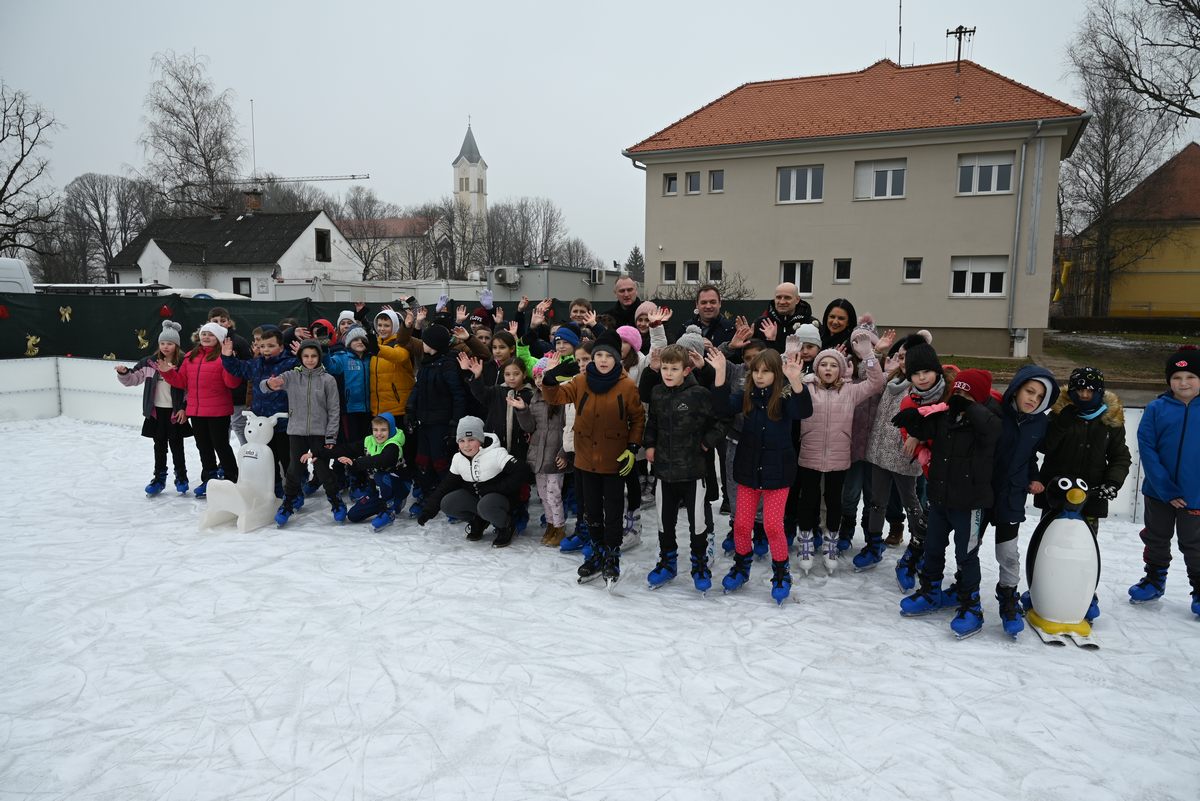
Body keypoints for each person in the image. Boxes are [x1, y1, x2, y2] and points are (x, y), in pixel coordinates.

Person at [893, 365, 1002, 638]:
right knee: (932, 548)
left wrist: (967, 404)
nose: (960, 399)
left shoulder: (990, 421)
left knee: (966, 556)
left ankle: (971, 605)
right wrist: (913, 419)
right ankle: (929, 591)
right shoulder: (946, 417)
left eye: (967, 394)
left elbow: (991, 428)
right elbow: (922, 422)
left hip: (970, 504)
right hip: (940, 499)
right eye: (958, 392)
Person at [540, 330, 645, 586]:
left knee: (612, 511)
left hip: (614, 460)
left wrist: (632, 448)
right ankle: (597, 552)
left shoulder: (627, 385)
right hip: (585, 459)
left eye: (607, 355)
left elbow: (638, 418)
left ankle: (612, 555)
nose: (602, 359)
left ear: (616, 358)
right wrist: (550, 379)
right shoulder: (580, 381)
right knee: (591, 511)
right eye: (597, 355)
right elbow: (554, 397)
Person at [708, 347, 813, 603]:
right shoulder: (747, 395)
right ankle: (741, 566)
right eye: (756, 370)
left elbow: (804, 411)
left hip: (778, 471)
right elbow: (720, 407)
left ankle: (781, 573)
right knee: (742, 525)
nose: (759, 376)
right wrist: (720, 372)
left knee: (772, 526)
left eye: (766, 371)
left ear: (776, 373)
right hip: (748, 468)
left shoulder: (786, 396)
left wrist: (796, 379)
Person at [1035, 366, 1131, 621]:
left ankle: (1085, 594)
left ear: (1099, 391)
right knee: (1048, 545)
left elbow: (1121, 456)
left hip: (1089, 499)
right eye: (1079, 390)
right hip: (1056, 495)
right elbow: (1043, 446)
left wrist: (1112, 482)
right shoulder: (1057, 414)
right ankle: (1040, 588)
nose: (1084, 395)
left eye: (1090, 390)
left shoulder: (1110, 421)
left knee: (1083, 549)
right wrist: (1061, 423)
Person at [794, 329, 885, 574]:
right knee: (808, 500)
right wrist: (789, 356)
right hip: (809, 454)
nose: (827, 368)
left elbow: (877, 382)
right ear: (816, 367)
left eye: (833, 365)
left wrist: (868, 355)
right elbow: (786, 384)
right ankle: (806, 542)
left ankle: (830, 543)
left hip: (838, 457)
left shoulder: (851, 391)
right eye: (822, 364)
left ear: (842, 369)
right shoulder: (806, 387)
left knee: (834, 501)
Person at [984, 365, 1059, 636]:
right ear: (1017, 388)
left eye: (1040, 397)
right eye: (1030, 392)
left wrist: (1034, 477)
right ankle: (965, 589)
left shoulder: (1039, 423)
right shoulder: (994, 411)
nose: (1033, 400)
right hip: (982, 492)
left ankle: (1008, 595)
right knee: (968, 545)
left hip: (1012, 496)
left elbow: (1027, 455)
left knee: (1008, 552)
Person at [643, 345, 725, 592]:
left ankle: (700, 564)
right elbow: (653, 422)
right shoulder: (657, 392)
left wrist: (706, 442)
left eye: (674, 369)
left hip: (693, 473)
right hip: (664, 473)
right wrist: (649, 444)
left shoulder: (698, 394)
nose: (668, 373)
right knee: (663, 521)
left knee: (697, 523)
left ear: (686, 370)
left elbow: (720, 422)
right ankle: (667, 562)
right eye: (665, 368)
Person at [1129, 346, 1199, 615]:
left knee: (1194, 544)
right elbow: (1147, 448)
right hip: (1159, 492)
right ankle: (1154, 579)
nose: (1183, 383)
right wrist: (1165, 488)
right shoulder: (1157, 408)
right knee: (1156, 538)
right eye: (1177, 377)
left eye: (1190, 376)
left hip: (1196, 494)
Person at [858, 332, 931, 578]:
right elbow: (863, 375)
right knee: (877, 501)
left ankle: (919, 547)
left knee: (911, 503)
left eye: (907, 357)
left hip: (903, 456)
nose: (902, 361)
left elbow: (932, 417)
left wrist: (917, 435)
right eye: (899, 357)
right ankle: (874, 543)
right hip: (879, 452)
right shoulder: (892, 379)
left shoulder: (924, 386)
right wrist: (876, 353)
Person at [261, 340, 346, 525]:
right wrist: (269, 383)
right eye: (306, 356)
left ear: (319, 357)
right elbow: (264, 387)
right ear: (300, 357)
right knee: (294, 470)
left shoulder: (328, 380)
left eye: (313, 356)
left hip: (319, 433)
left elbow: (334, 410)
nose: (309, 360)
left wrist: (331, 436)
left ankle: (336, 501)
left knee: (323, 469)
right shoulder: (291, 376)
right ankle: (288, 503)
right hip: (296, 432)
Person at [417, 416, 529, 548]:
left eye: (471, 440)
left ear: (480, 440)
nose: (466, 445)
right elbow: (445, 486)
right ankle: (478, 521)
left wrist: (495, 488)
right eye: (462, 441)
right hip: (479, 499)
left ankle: (506, 525)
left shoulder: (496, 454)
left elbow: (523, 471)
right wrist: (428, 510)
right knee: (448, 503)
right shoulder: (458, 459)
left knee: (485, 505)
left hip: (500, 500)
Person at [158, 321, 242, 496]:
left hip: (218, 411)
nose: (206, 337)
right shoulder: (190, 356)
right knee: (203, 447)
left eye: (210, 334)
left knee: (221, 445)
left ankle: (231, 478)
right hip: (196, 411)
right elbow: (181, 382)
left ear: (219, 338)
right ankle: (209, 479)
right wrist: (167, 372)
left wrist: (229, 360)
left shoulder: (224, 356)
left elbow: (232, 383)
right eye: (204, 333)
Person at [115, 320, 191, 495]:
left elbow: (189, 388)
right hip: (156, 412)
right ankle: (159, 478)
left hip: (175, 412)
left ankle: (181, 477)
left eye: (170, 344)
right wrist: (124, 373)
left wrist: (184, 408)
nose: (165, 347)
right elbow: (133, 379)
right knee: (159, 446)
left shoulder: (183, 363)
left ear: (177, 345)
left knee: (177, 446)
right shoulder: (149, 363)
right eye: (162, 343)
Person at [220, 325, 298, 497]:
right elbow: (237, 368)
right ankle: (275, 486)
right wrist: (227, 357)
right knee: (269, 459)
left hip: (283, 422)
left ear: (281, 346)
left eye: (271, 346)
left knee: (287, 458)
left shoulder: (290, 363)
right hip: (261, 424)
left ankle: (294, 490)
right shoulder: (256, 364)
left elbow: (308, 368)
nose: (266, 350)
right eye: (262, 346)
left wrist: (300, 354)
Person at [406, 324, 467, 516]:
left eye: (426, 341)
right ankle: (426, 495)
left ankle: (448, 499)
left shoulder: (448, 364)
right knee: (422, 460)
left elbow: (458, 395)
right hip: (424, 421)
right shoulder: (426, 363)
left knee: (441, 462)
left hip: (441, 423)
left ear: (434, 344)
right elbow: (417, 389)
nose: (423, 344)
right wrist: (410, 410)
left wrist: (454, 423)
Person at [514, 358, 571, 546]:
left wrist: (565, 452)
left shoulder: (562, 398)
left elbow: (568, 427)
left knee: (554, 494)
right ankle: (550, 524)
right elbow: (530, 427)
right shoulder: (535, 399)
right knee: (543, 494)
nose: (539, 380)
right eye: (537, 376)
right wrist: (522, 410)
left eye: (543, 375)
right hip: (537, 456)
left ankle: (559, 526)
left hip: (555, 456)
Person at [337, 413, 408, 530]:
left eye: (383, 430)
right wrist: (317, 453)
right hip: (377, 490)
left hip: (399, 485)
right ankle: (389, 503)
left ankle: (390, 510)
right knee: (353, 515)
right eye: (375, 430)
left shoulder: (394, 445)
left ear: (390, 430)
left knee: (381, 475)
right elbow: (347, 448)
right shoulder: (369, 441)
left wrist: (356, 463)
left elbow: (382, 460)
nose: (379, 434)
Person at [206, 307, 253, 445]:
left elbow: (248, 366)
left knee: (239, 427)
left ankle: (247, 455)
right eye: (215, 321)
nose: (219, 323)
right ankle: (224, 461)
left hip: (237, 395)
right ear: (209, 323)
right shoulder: (207, 342)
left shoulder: (238, 342)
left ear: (229, 322)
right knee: (220, 430)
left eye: (223, 320)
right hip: (216, 395)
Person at [753, 282, 815, 352]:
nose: (782, 302)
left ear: (797, 300)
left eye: (787, 298)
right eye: (778, 297)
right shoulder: (761, 323)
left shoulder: (811, 324)